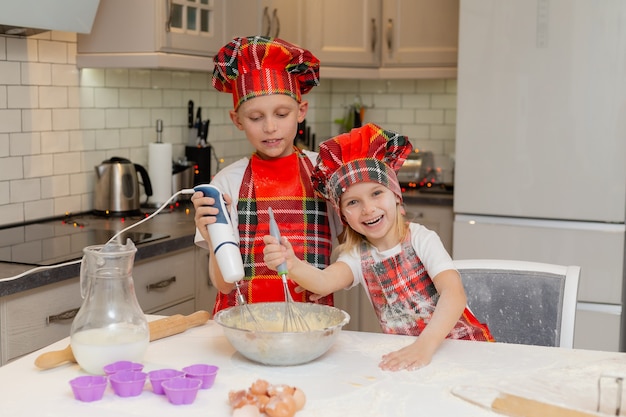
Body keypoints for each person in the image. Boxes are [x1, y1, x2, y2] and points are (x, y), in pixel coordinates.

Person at [263, 123, 494, 371]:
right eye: (353, 202)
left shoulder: (420, 238)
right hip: (412, 358)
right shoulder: (357, 256)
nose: (368, 209)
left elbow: (454, 294)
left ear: (395, 196)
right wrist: (291, 262)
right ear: (343, 216)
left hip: (465, 350)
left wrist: (423, 346)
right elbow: (323, 282)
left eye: (376, 193)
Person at [191, 36, 341, 315]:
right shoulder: (226, 183)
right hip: (242, 325)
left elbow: (348, 261)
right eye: (256, 118)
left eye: (282, 114)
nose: (270, 127)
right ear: (237, 120)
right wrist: (211, 238)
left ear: (301, 111)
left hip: (311, 324)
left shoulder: (326, 174)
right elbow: (224, 285)